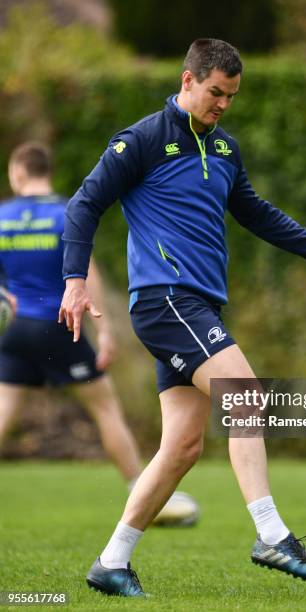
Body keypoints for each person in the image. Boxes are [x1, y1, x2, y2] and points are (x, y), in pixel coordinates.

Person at [59, 39, 306, 597]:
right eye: (215, 93)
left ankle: (112, 562)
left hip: (197, 305)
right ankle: (271, 533)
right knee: (245, 394)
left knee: (181, 448)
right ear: (187, 82)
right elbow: (84, 204)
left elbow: (252, 210)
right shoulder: (142, 140)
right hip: (167, 299)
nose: (222, 104)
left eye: (231, 96)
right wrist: (75, 280)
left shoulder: (224, 148)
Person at [0, 142, 198, 526]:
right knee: (105, 407)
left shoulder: (2, 215)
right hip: (60, 326)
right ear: (47, 172)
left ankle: (144, 492)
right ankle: (143, 493)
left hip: (15, 328)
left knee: (4, 410)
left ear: (19, 173)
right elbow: (85, 271)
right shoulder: (65, 212)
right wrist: (105, 332)